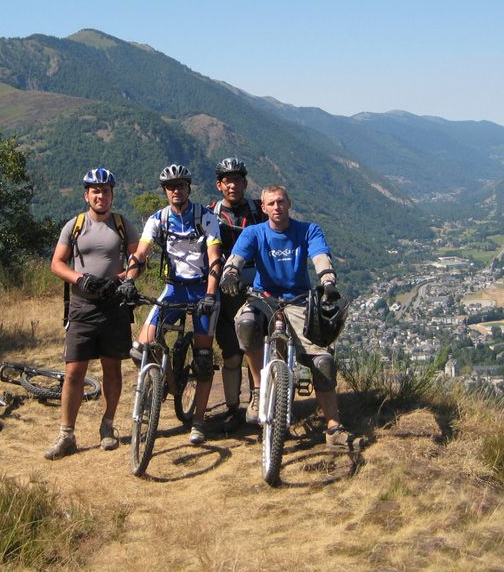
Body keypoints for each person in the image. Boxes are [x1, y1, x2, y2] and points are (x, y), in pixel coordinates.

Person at [220, 185, 354, 449]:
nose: (276, 207)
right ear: (264, 207)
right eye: (271, 203)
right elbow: (236, 257)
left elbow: (320, 256)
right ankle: (259, 392)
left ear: (289, 203)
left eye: (281, 202)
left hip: (299, 300)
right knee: (246, 324)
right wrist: (230, 274)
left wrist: (327, 281)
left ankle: (333, 427)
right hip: (262, 298)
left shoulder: (307, 230)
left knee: (323, 362)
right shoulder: (253, 233)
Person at [118, 164, 223, 445]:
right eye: (170, 187)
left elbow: (215, 257)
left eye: (181, 185)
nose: (176, 190)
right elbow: (141, 253)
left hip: (203, 289)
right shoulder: (158, 219)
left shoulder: (205, 216)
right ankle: (164, 378)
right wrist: (129, 280)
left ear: (189, 188)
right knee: (139, 350)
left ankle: (198, 420)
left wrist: (211, 295)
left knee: (202, 360)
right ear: (165, 191)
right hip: (173, 290)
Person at [46, 168, 140, 460]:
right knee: (74, 371)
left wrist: (124, 279)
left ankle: (108, 426)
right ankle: (66, 435)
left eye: (106, 191)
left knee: (112, 368)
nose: (101, 195)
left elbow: (138, 259)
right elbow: (57, 263)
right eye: (95, 191)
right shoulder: (73, 226)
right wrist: (79, 279)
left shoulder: (123, 225)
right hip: (82, 306)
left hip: (114, 305)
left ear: (112, 194)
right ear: (87, 195)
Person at [209, 157, 266, 430]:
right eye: (227, 180)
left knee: (256, 347)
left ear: (245, 183)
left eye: (237, 180)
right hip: (224, 290)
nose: (233, 185)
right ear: (219, 185)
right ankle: (233, 408)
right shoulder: (210, 213)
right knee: (231, 352)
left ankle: (259, 402)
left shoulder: (259, 211)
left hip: (255, 287)